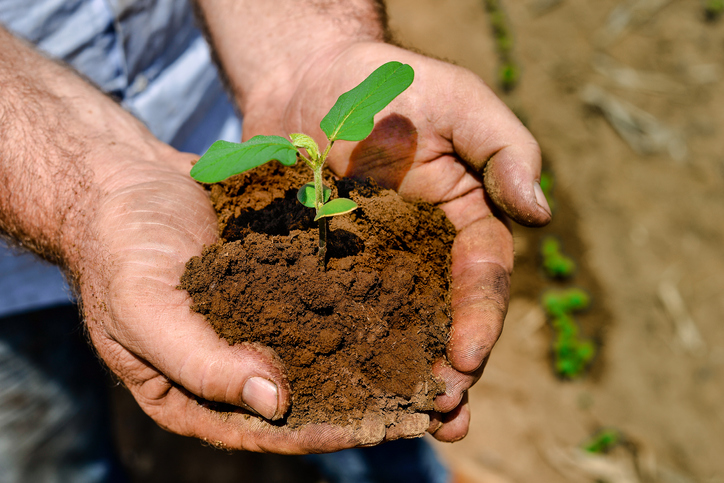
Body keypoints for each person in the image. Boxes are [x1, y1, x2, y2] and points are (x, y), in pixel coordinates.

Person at [0, 0, 551, 480]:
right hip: (13, 254)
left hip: (214, 118)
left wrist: (313, 53)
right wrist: (80, 196)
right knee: (47, 450)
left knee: (380, 418)